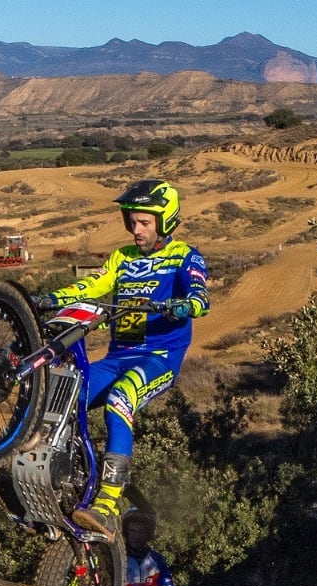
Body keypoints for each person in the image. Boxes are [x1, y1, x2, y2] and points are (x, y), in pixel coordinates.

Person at [32, 179, 210, 539]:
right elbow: (93, 286)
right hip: (117, 358)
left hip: (158, 358)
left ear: (165, 221)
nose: (136, 229)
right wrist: (52, 298)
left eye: (144, 222)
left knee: (119, 400)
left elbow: (201, 297)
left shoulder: (185, 256)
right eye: (132, 221)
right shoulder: (122, 257)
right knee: (60, 397)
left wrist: (183, 305)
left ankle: (109, 501)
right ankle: (51, 485)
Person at [121, 510, 176, 586]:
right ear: (126, 531)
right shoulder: (118, 557)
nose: (136, 536)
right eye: (132, 531)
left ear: (148, 534)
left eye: (141, 532)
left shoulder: (157, 558)